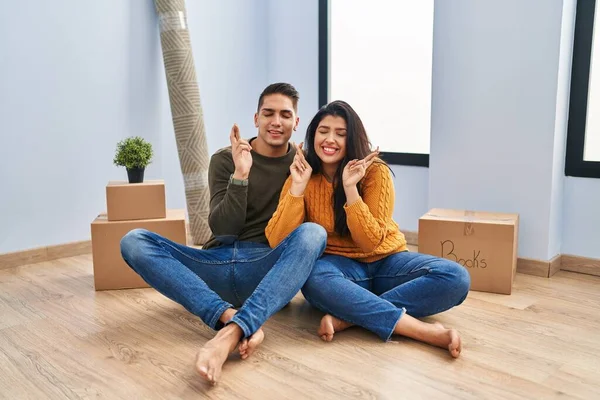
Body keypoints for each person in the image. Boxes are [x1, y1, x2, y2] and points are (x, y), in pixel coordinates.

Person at [120, 83, 327, 384]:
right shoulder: (225, 159)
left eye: (285, 115)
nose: (276, 122)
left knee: (313, 233)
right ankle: (227, 315)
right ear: (256, 118)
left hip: (264, 268)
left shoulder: (304, 165)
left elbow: (301, 233)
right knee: (134, 241)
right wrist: (241, 175)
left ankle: (231, 332)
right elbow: (223, 230)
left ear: (296, 123)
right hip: (213, 266)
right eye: (268, 113)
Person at [265, 100, 470, 358]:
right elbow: (277, 240)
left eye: (340, 134)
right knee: (313, 279)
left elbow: (370, 243)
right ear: (313, 134)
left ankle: (350, 317)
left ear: (352, 139)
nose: (330, 139)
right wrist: (297, 188)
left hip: (388, 262)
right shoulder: (302, 174)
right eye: (323, 131)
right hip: (339, 268)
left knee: (455, 277)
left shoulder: (375, 172)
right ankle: (419, 330)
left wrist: (351, 189)